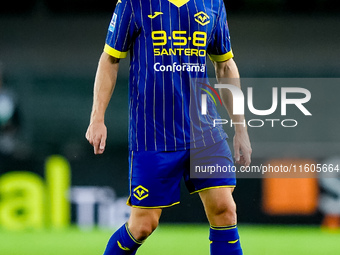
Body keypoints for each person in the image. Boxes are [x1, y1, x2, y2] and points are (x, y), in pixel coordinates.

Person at [86, 0, 252, 254]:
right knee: (143, 225)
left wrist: (240, 129)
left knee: (224, 209)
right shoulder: (134, 4)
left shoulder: (212, 4)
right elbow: (109, 59)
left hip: (204, 130)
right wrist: (97, 118)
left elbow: (225, 65)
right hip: (153, 135)